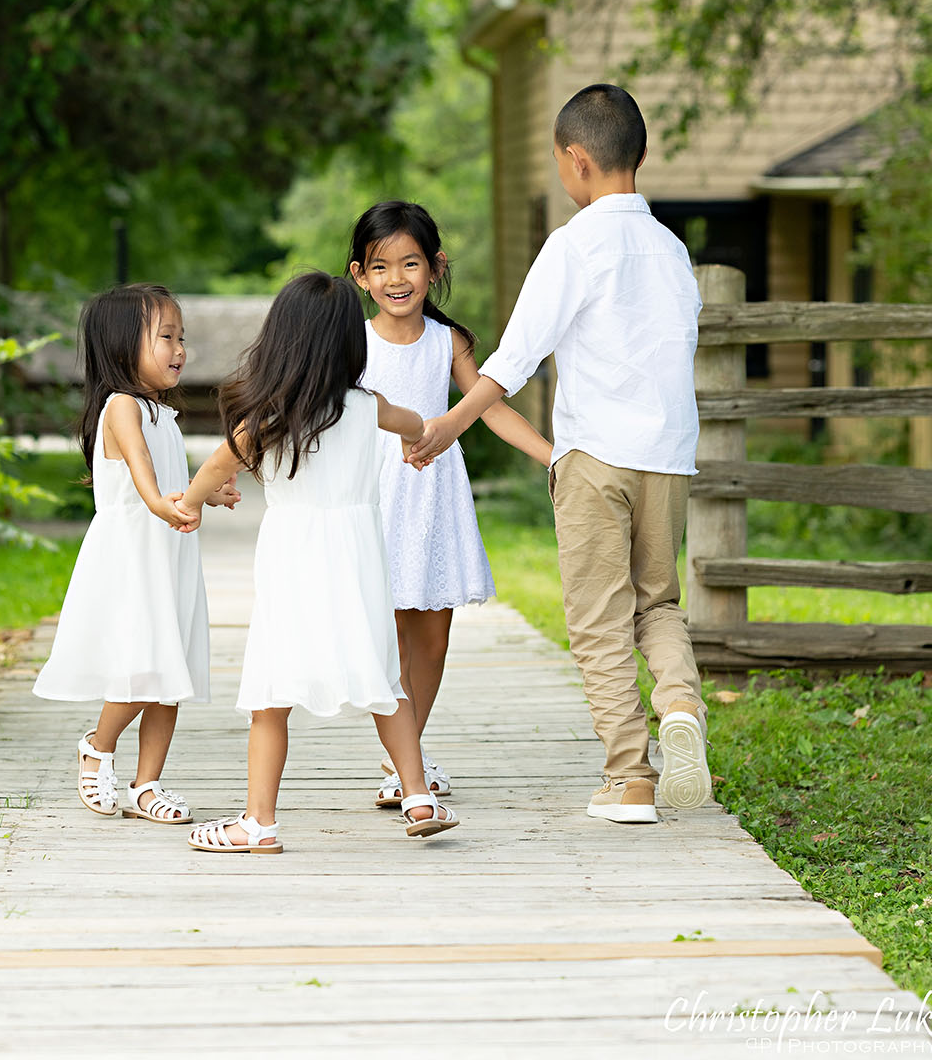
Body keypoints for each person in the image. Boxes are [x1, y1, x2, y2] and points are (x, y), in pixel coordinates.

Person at [408, 84, 713, 825]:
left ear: (576, 161)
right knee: (659, 602)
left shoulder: (574, 245)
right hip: (667, 456)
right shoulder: (672, 252)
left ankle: (630, 779)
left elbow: (513, 358)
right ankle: (679, 705)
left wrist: (450, 424)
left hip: (594, 457)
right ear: (637, 154)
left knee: (599, 618)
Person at [176, 271, 460, 852]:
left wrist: (193, 504)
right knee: (387, 680)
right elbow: (413, 423)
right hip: (358, 557)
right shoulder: (365, 405)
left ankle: (258, 823)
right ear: (348, 346)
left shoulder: (263, 420)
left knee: (271, 693)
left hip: (295, 559)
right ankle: (418, 796)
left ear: (280, 340)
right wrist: (413, 442)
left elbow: (208, 472)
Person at [347, 200, 553, 805]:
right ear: (360, 275)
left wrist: (552, 455)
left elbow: (489, 407)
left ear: (435, 267)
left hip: (435, 494)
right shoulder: (351, 344)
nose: (396, 280)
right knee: (386, 635)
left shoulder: (449, 341)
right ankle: (405, 765)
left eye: (410, 264)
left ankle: (407, 754)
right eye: (381, 267)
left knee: (431, 638)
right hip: (375, 494)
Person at [32, 283, 238, 823]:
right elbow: (146, 479)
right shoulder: (121, 407)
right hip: (134, 556)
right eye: (165, 337)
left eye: (181, 338)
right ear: (124, 347)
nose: (179, 349)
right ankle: (98, 747)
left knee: (171, 672)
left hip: (167, 552)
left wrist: (205, 493)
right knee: (143, 666)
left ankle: (147, 784)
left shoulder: (161, 413)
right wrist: (161, 503)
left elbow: (171, 483)